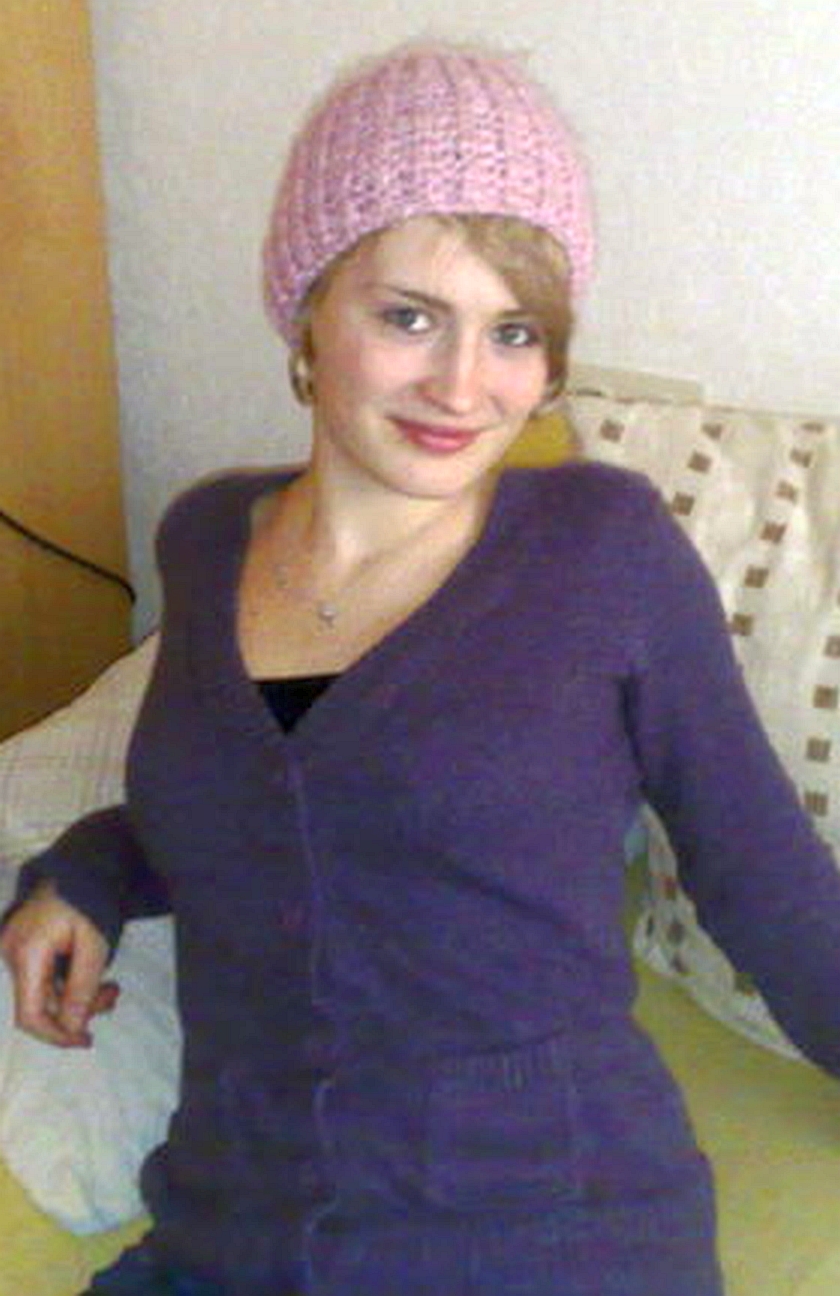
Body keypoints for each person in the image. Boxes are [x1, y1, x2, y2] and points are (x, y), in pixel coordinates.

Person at [2, 40, 840, 1296]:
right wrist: (91, 871)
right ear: (308, 307)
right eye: (409, 317)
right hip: (229, 1234)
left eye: (514, 332)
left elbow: (762, 876)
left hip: (543, 1233)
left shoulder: (602, 550)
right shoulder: (206, 536)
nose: (463, 386)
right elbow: (263, 818)